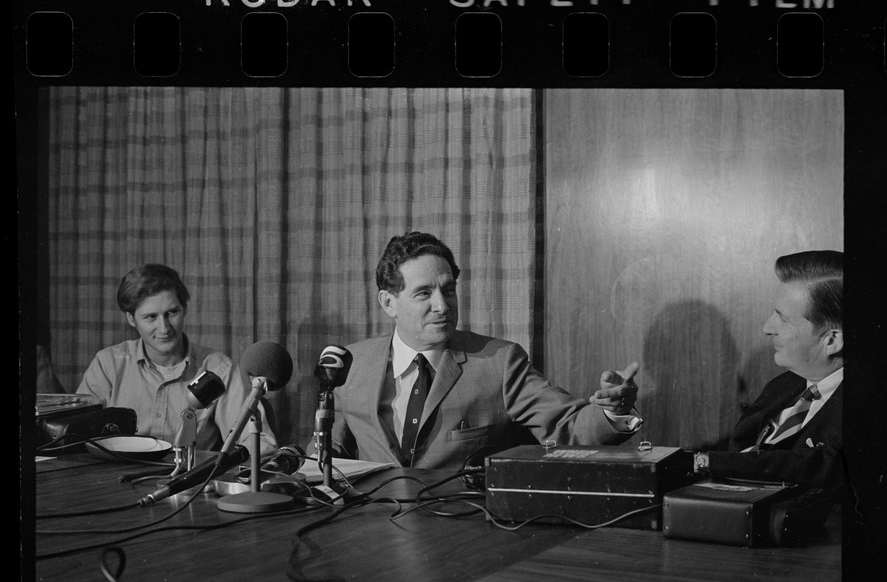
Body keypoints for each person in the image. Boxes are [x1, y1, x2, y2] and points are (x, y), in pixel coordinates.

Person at [315, 231, 643, 470]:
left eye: (448, 291)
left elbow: (567, 426)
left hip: (463, 535)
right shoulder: (352, 364)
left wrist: (611, 412)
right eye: (424, 294)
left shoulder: (499, 363)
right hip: (371, 533)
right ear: (388, 303)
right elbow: (326, 452)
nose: (442, 306)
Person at [77, 263, 278, 457]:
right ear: (131, 319)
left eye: (172, 313)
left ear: (184, 309)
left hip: (190, 486)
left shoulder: (220, 369)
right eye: (151, 317)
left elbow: (261, 444)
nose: (164, 328)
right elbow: (75, 435)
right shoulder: (108, 364)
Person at [694, 250, 844, 487]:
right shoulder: (783, 386)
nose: (767, 328)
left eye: (782, 318)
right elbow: (737, 453)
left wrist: (700, 463)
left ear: (832, 340)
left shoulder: (867, 409)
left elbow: (810, 466)